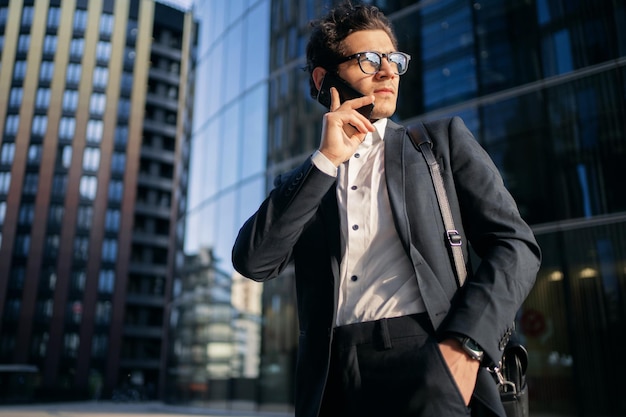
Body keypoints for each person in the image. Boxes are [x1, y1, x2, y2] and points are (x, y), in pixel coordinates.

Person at [232, 2, 541, 417]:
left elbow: (516, 245)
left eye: (394, 59)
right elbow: (254, 262)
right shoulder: (305, 180)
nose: (388, 71)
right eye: (369, 59)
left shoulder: (440, 143)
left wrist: (465, 345)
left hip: (432, 354)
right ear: (324, 79)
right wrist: (325, 161)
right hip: (332, 379)